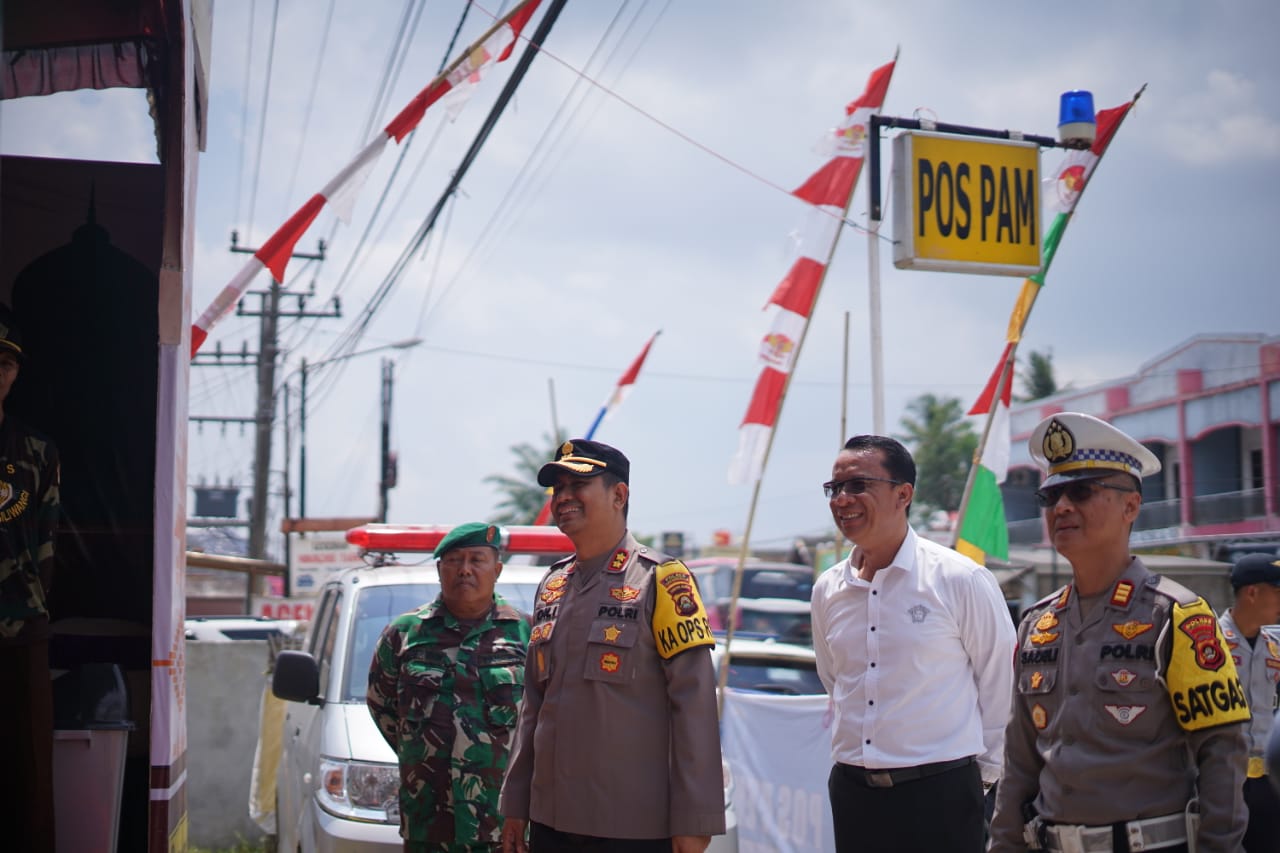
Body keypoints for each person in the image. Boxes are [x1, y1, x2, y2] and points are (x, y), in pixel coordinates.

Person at [989, 413, 1250, 853]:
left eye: (1082, 491)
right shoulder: (1038, 624)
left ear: (1131, 506)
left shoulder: (1180, 616)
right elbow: (1020, 762)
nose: (1062, 507)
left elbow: (1222, 754)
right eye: (1050, 496)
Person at [499, 439, 725, 853]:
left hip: (632, 828)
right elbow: (533, 703)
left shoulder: (661, 580)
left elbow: (694, 706)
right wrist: (515, 802)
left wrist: (696, 820)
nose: (563, 497)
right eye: (558, 488)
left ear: (619, 494)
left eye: (577, 485)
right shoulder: (551, 585)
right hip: (551, 821)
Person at [810, 434, 1016, 853]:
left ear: (903, 494)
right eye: (835, 488)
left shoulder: (960, 579)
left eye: (857, 485)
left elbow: (1003, 685)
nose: (842, 499)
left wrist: (984, 780)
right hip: (854, 796)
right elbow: (836, 681)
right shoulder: (827, 590)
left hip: (941, 798)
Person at [367, 521, 531, 852]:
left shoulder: (528, 634)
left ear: (496, 569)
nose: (465, 571)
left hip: (504, 823)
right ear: (440, 569)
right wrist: (424, 753)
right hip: (429, 820)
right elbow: (382, 706)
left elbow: (545, 719)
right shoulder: (404, 634)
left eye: (476, 560)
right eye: (454, 561)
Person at [0, 307, 60, 853]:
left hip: (22, 625)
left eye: (4, 363)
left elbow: (46, 540)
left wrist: (34, 607)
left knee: (29, 770)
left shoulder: (37, 451)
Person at [1219, 553, 1280, 852]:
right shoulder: (1210, 643)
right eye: (1278, 592)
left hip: (1268, 783)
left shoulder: (1275, 646)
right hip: (1226, 781)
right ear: (1253, 593)